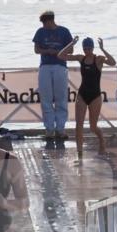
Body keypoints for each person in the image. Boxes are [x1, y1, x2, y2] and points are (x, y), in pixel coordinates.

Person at [58, 36, 116, 155]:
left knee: (93, 127)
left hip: (95, 96)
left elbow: (113, 62)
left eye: (89, 48)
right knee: (78, 126)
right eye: (85, 48)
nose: (87, 51)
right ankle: (80, 154)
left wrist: (103, 49)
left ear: (93, 48)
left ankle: (102, 143)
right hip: (82, 94)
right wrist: (71, 43)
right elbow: (61, 56)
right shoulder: (81, 58)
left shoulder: (99, 59)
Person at [32, 10, 74, 140]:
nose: (44, 26)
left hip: (60, 66)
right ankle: (49, 129)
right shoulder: (40, 32)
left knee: (61, 98)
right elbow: (36, 49)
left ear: (51, 20)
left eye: (45, 23)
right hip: (45, 66)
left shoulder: (64, 31)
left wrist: (58, 51)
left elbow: (71, 49)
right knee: (46, 98)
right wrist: (47, 51)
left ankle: (60, 129)